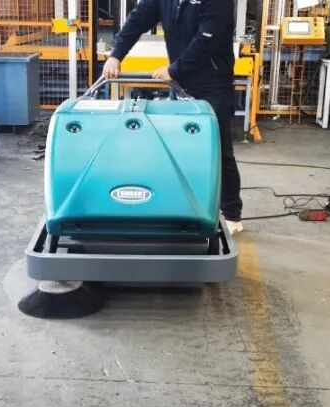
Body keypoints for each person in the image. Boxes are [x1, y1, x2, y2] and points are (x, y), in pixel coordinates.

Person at [102, 0, 244, 233]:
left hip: (213, 85)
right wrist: (116, 55)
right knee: (178, 150)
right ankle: (184, 208)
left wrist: (173, 69)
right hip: (181, 84)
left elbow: (207, 39)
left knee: (219, 151)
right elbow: (138, 19)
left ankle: (232, 215)